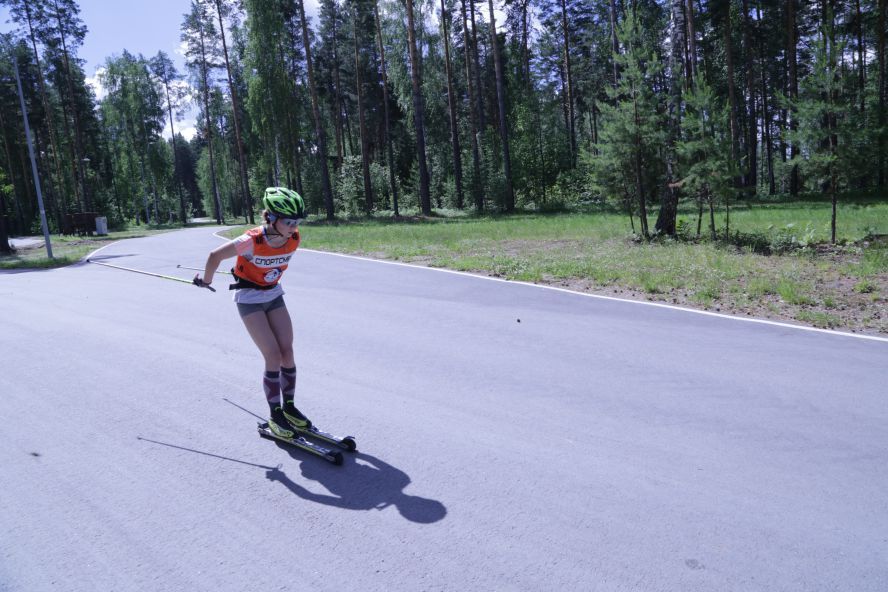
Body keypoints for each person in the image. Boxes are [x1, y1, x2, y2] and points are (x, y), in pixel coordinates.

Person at [194, 187, 311, 439]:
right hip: (249, 298)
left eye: (298, 221)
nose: (294, 227)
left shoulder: (293, 238)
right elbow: (214, 256)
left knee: (287, 351)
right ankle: (275, 413)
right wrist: (205, 280)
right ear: (270, 218)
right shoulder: (251, 240)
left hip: (273, 293)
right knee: (272, 353)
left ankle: (289, 407)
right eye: (289, 221)